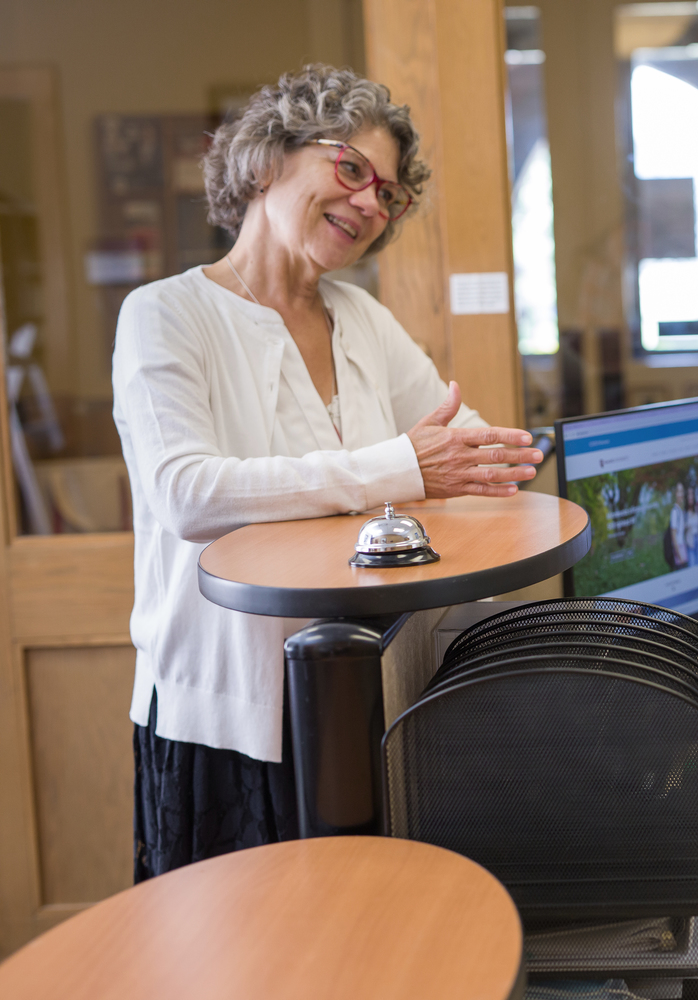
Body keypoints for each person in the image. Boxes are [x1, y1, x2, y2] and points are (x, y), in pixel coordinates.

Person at [113, 65, 543, 881]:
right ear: (266, 160)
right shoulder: (166, 315)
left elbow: (463, 444)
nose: (371, 204)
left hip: (370, 699)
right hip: (228, 716)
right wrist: (401, 469)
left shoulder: (362, 317)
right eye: (351, 169)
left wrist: (501, 457)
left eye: (389, 193)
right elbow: (187, 494)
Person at [668, 482, 688, 570]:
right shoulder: (674, 512)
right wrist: (680, 556)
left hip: (682, 548)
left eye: (682, 491)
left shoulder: (680, 510)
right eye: (679, 491)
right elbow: (674, 536)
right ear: (675, 494)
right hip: (679, 552)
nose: (681, 494)